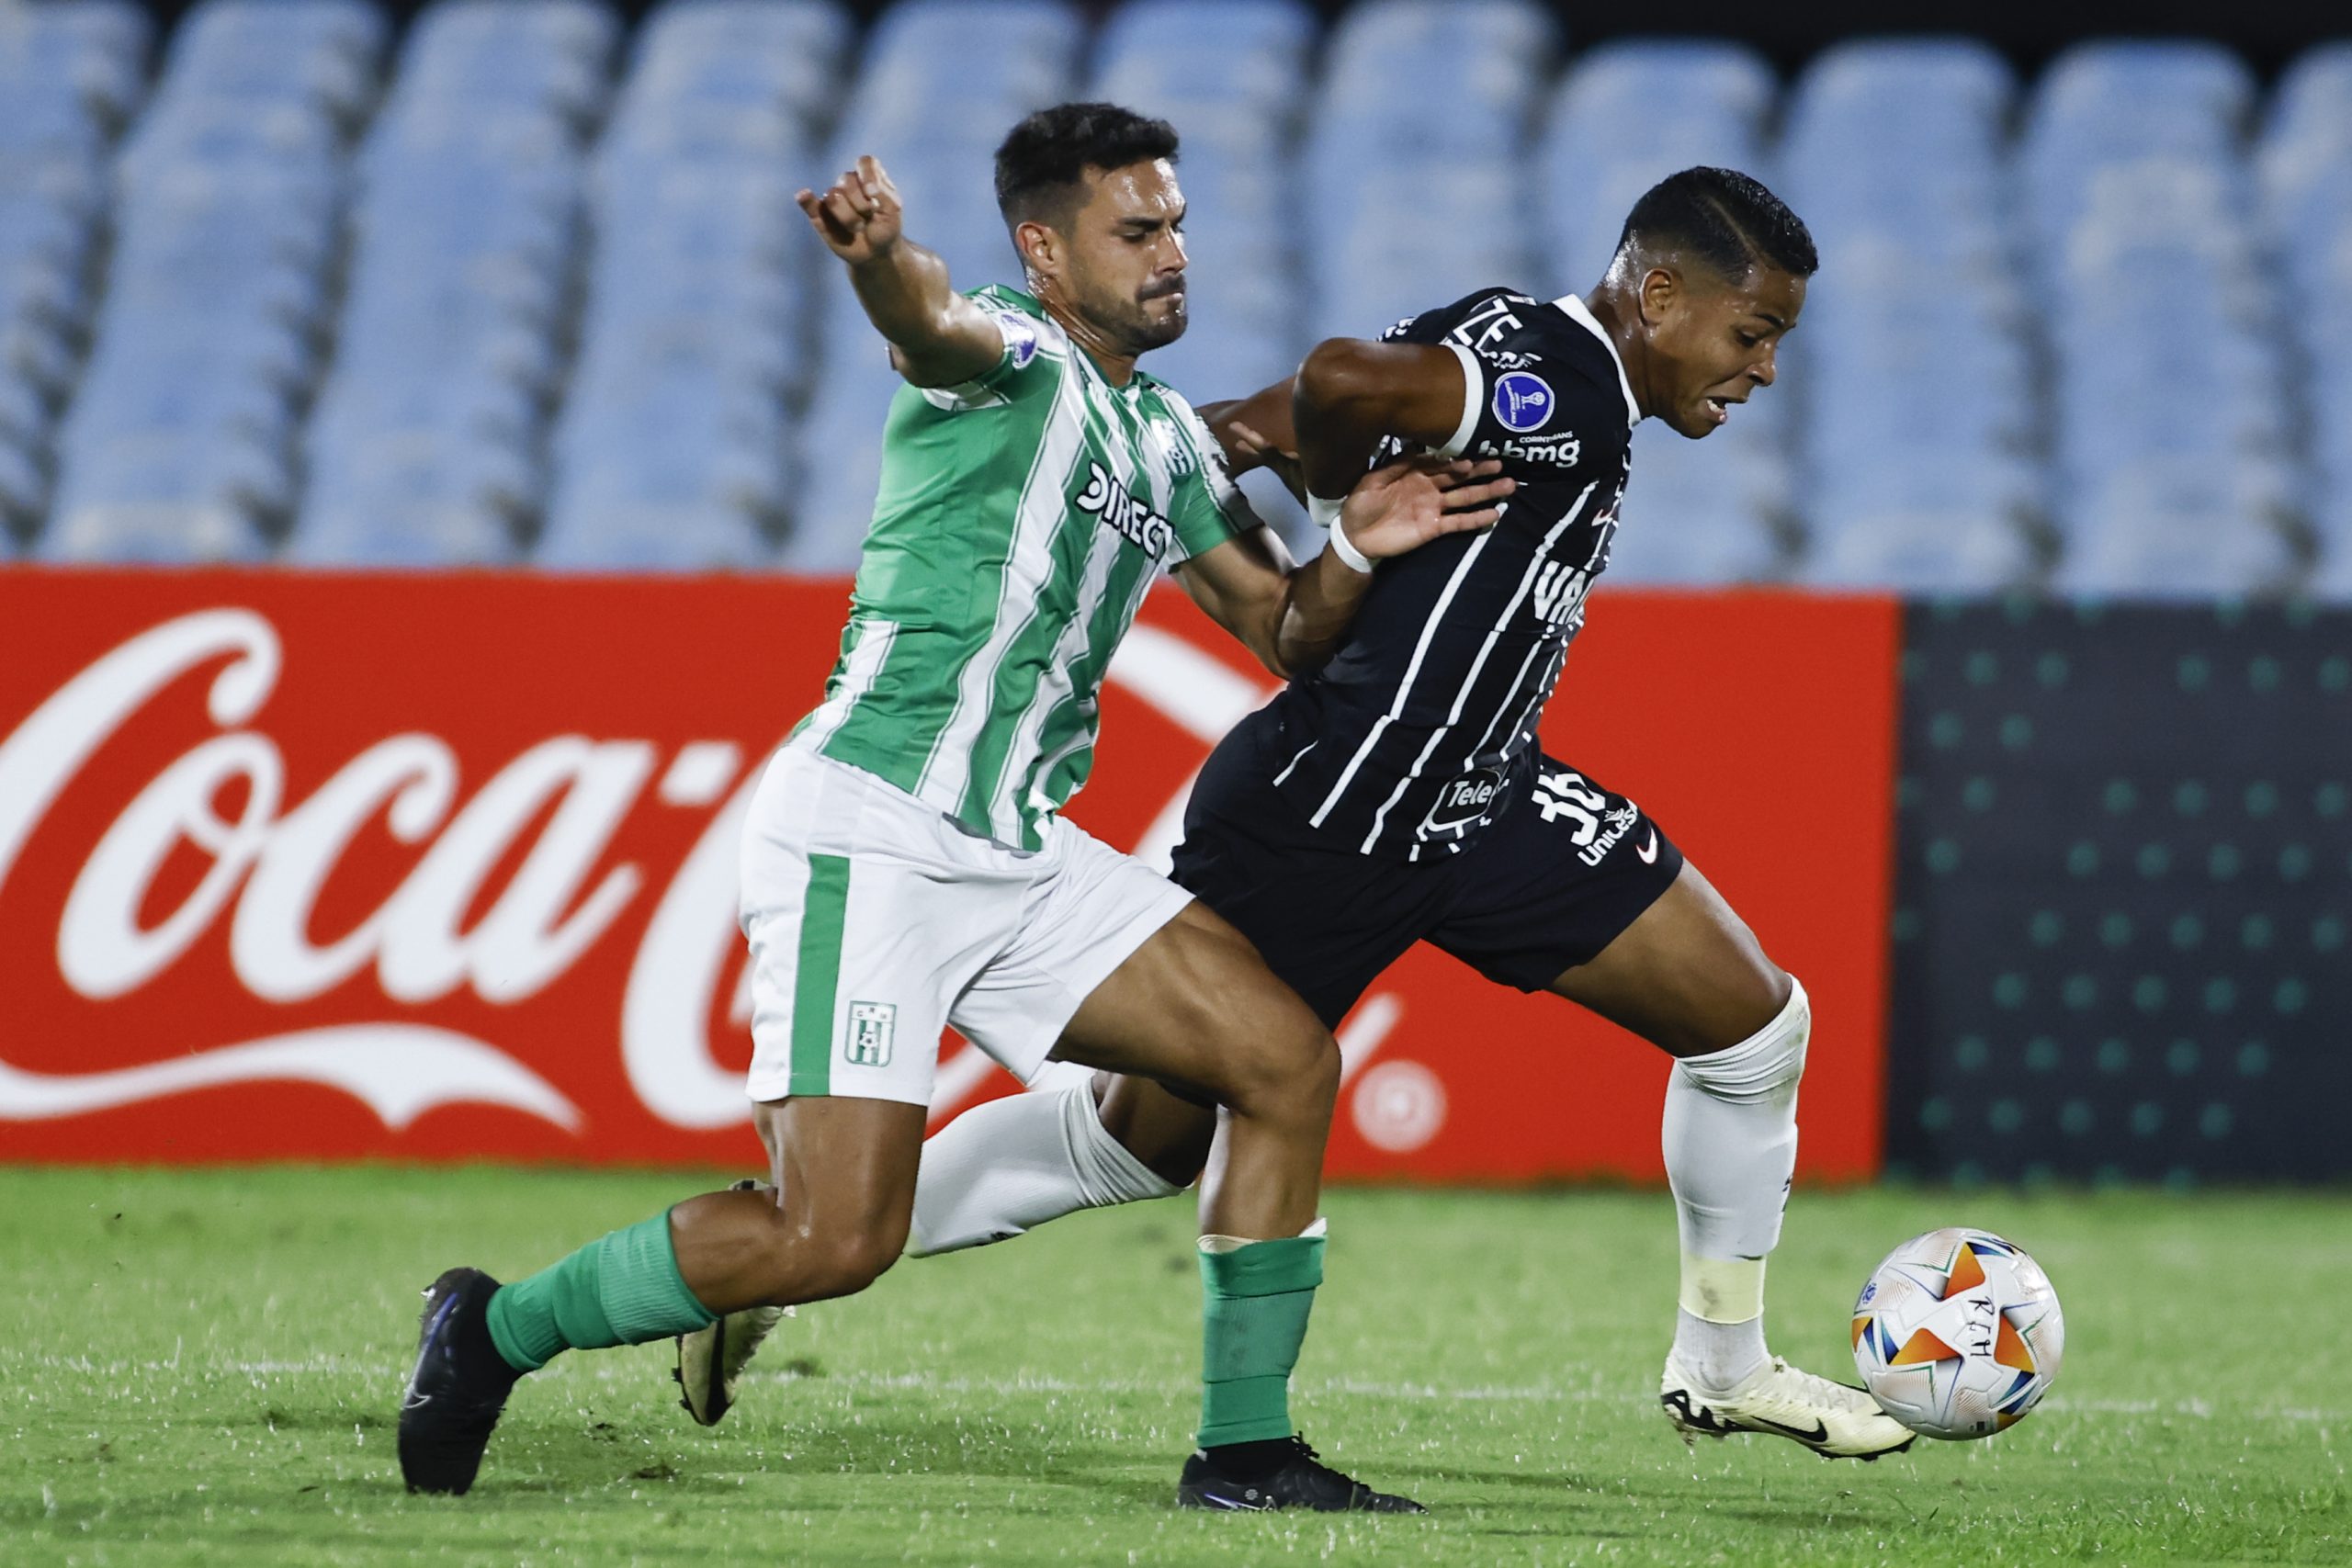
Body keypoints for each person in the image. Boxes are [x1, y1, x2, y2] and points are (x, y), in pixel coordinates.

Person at [682, 167, 1917, 1462]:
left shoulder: (1518, 343)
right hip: (1333, 812)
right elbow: (1336, 383)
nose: (1763, 369)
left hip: (1482, 798)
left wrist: (1209, 446)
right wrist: (1329, 507)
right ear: (1660, 294)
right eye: (1752, 333)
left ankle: (1722, 1364)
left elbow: (1279, 414)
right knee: (1138, 1139)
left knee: (1755, 1025)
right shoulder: (1548, 374)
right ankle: (769, 1254)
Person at [397, 102, 1510, 1512]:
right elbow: (927, 320)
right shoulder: (1006, 352)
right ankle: (490, 1331)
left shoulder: (1167, 437)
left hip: (1023, 854)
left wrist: (1357, 540)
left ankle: (1245, 1457)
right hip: (873, 831)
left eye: (1177, 226)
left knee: (1283, 1062)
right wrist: (877, 258)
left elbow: (1284, 632)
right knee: (831, 1238)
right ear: (1044, 251)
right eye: (1138, 231)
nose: (1174, 254)